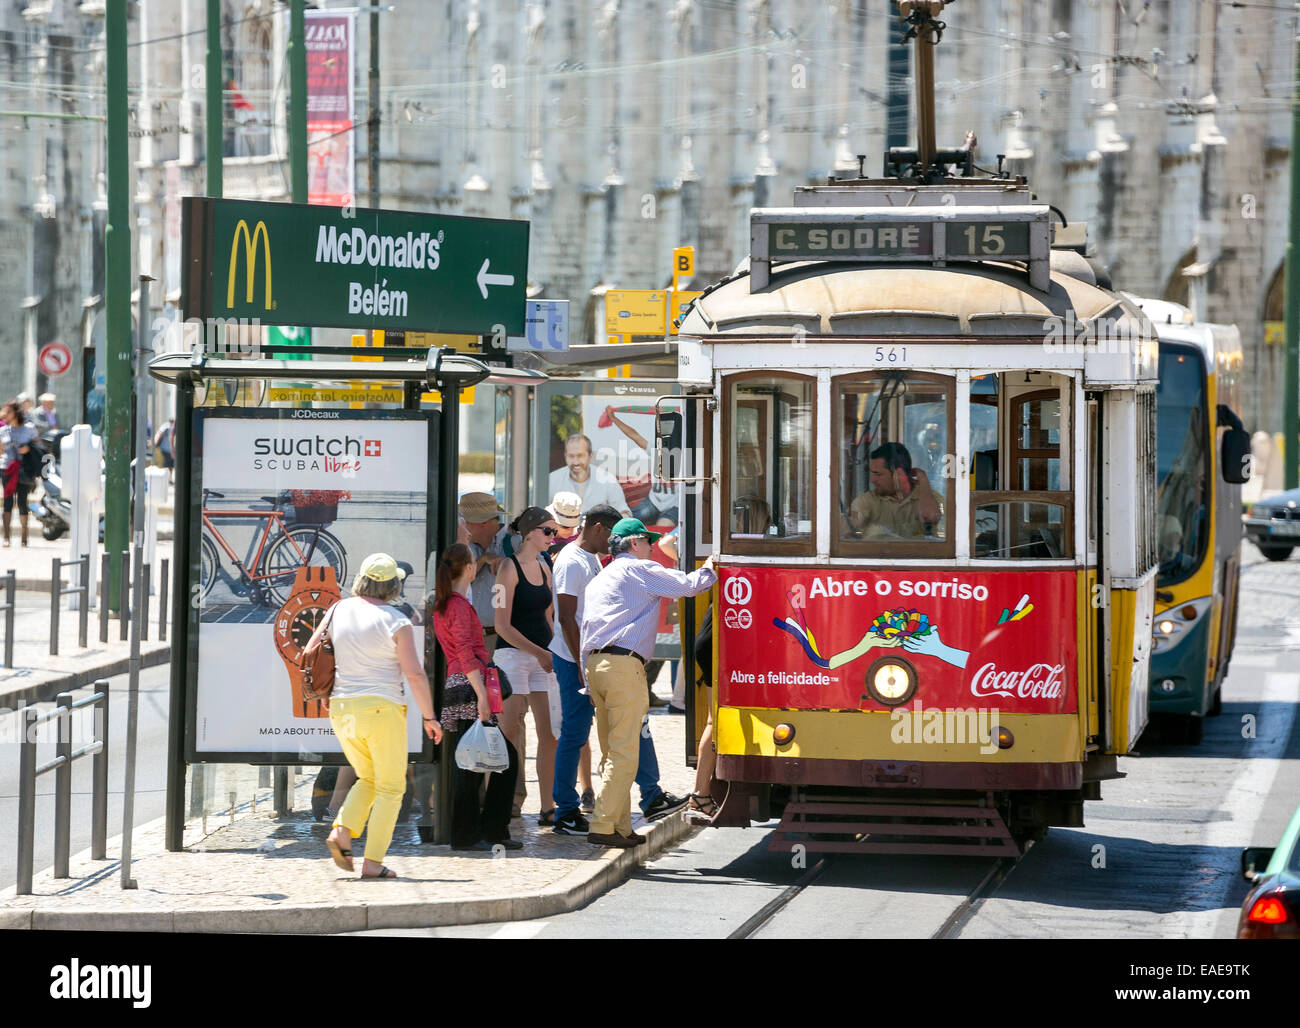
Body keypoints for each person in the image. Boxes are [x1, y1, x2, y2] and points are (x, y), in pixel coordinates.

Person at [580, 518, 716, 847]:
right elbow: (689, 585)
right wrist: (714, 562)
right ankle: (602, 825)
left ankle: (621, 825)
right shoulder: (637, 570)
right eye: (647, 541)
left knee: (613, 751)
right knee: (625, 753)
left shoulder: (602, 577)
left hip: (596, 666)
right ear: (633, 543)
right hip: (624, 667)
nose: (653, 547)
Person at [321, 553, 441, 879]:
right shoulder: (395, 620)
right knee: (390, 788)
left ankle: (342, 831)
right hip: (381, 710)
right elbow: (415, 674)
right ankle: (372, 863)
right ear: (392, 585)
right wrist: (430, 718)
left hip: (342, 708)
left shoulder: (337, 610)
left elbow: (318, 651)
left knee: (370, 778)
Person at [432, 543, 523, 851]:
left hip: (464, 684)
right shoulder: (456, 604)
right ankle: (479, 832)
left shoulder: (451, 602)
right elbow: (463, 651)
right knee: (484, 762)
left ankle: (483, 831)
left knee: (475, 761)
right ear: (469, 568)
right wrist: (482, 695)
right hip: (468, 685)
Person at [493, 505, 562, 826]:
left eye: (555, 532)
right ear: (530, 532)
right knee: (507, 733)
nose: (553, 537)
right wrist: (540, 652)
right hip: (513, 657)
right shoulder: (508, 567)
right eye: (548, 531)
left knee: (550, 734)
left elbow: (548, 616)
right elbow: (502, 626)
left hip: (541, 658)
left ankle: (548, 806)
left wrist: (553, 652)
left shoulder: (546, 567)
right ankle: (503, 802)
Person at [847, 442, 942, 540]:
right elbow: (850, 524)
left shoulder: (929, 498)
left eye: (878, 474)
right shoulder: (868, 500)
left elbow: (930, 516)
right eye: (872, 473)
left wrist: (923, 479)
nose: (872, 480)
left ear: (898, 474)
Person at [602, 406, 679, 527]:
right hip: (653, 503)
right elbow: (634, 435)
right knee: (622, 522)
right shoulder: (656, 451)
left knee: (662, 525)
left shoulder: (688, 457)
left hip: (674, 508)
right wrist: (614, 418)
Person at [459, 492, 509, 640]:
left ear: (483, 523)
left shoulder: (515, 543)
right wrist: (482, 560)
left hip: (502, 639)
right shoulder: (463, 545)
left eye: (465, 522)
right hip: (468, 637)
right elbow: (457, 581)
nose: (463, 527)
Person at [547, 433, 631, 515]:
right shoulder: (552, 480)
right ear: (565, 456)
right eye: (571, 456)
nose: (576, 462)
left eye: (580, 456)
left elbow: (623, 513)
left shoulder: (607, 479)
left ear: (590, 456)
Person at [2, 401, 39, 548]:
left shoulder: (29, 428)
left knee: (23, 502)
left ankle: (24, 536)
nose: (5, 414)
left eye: (8, 412)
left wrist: (28, 448)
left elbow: (39, 447)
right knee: (8, 502)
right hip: (7, 469)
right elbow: (0, 451)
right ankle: (6, 537)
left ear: (16, 413)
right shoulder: (3, 431)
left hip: (25, 469)